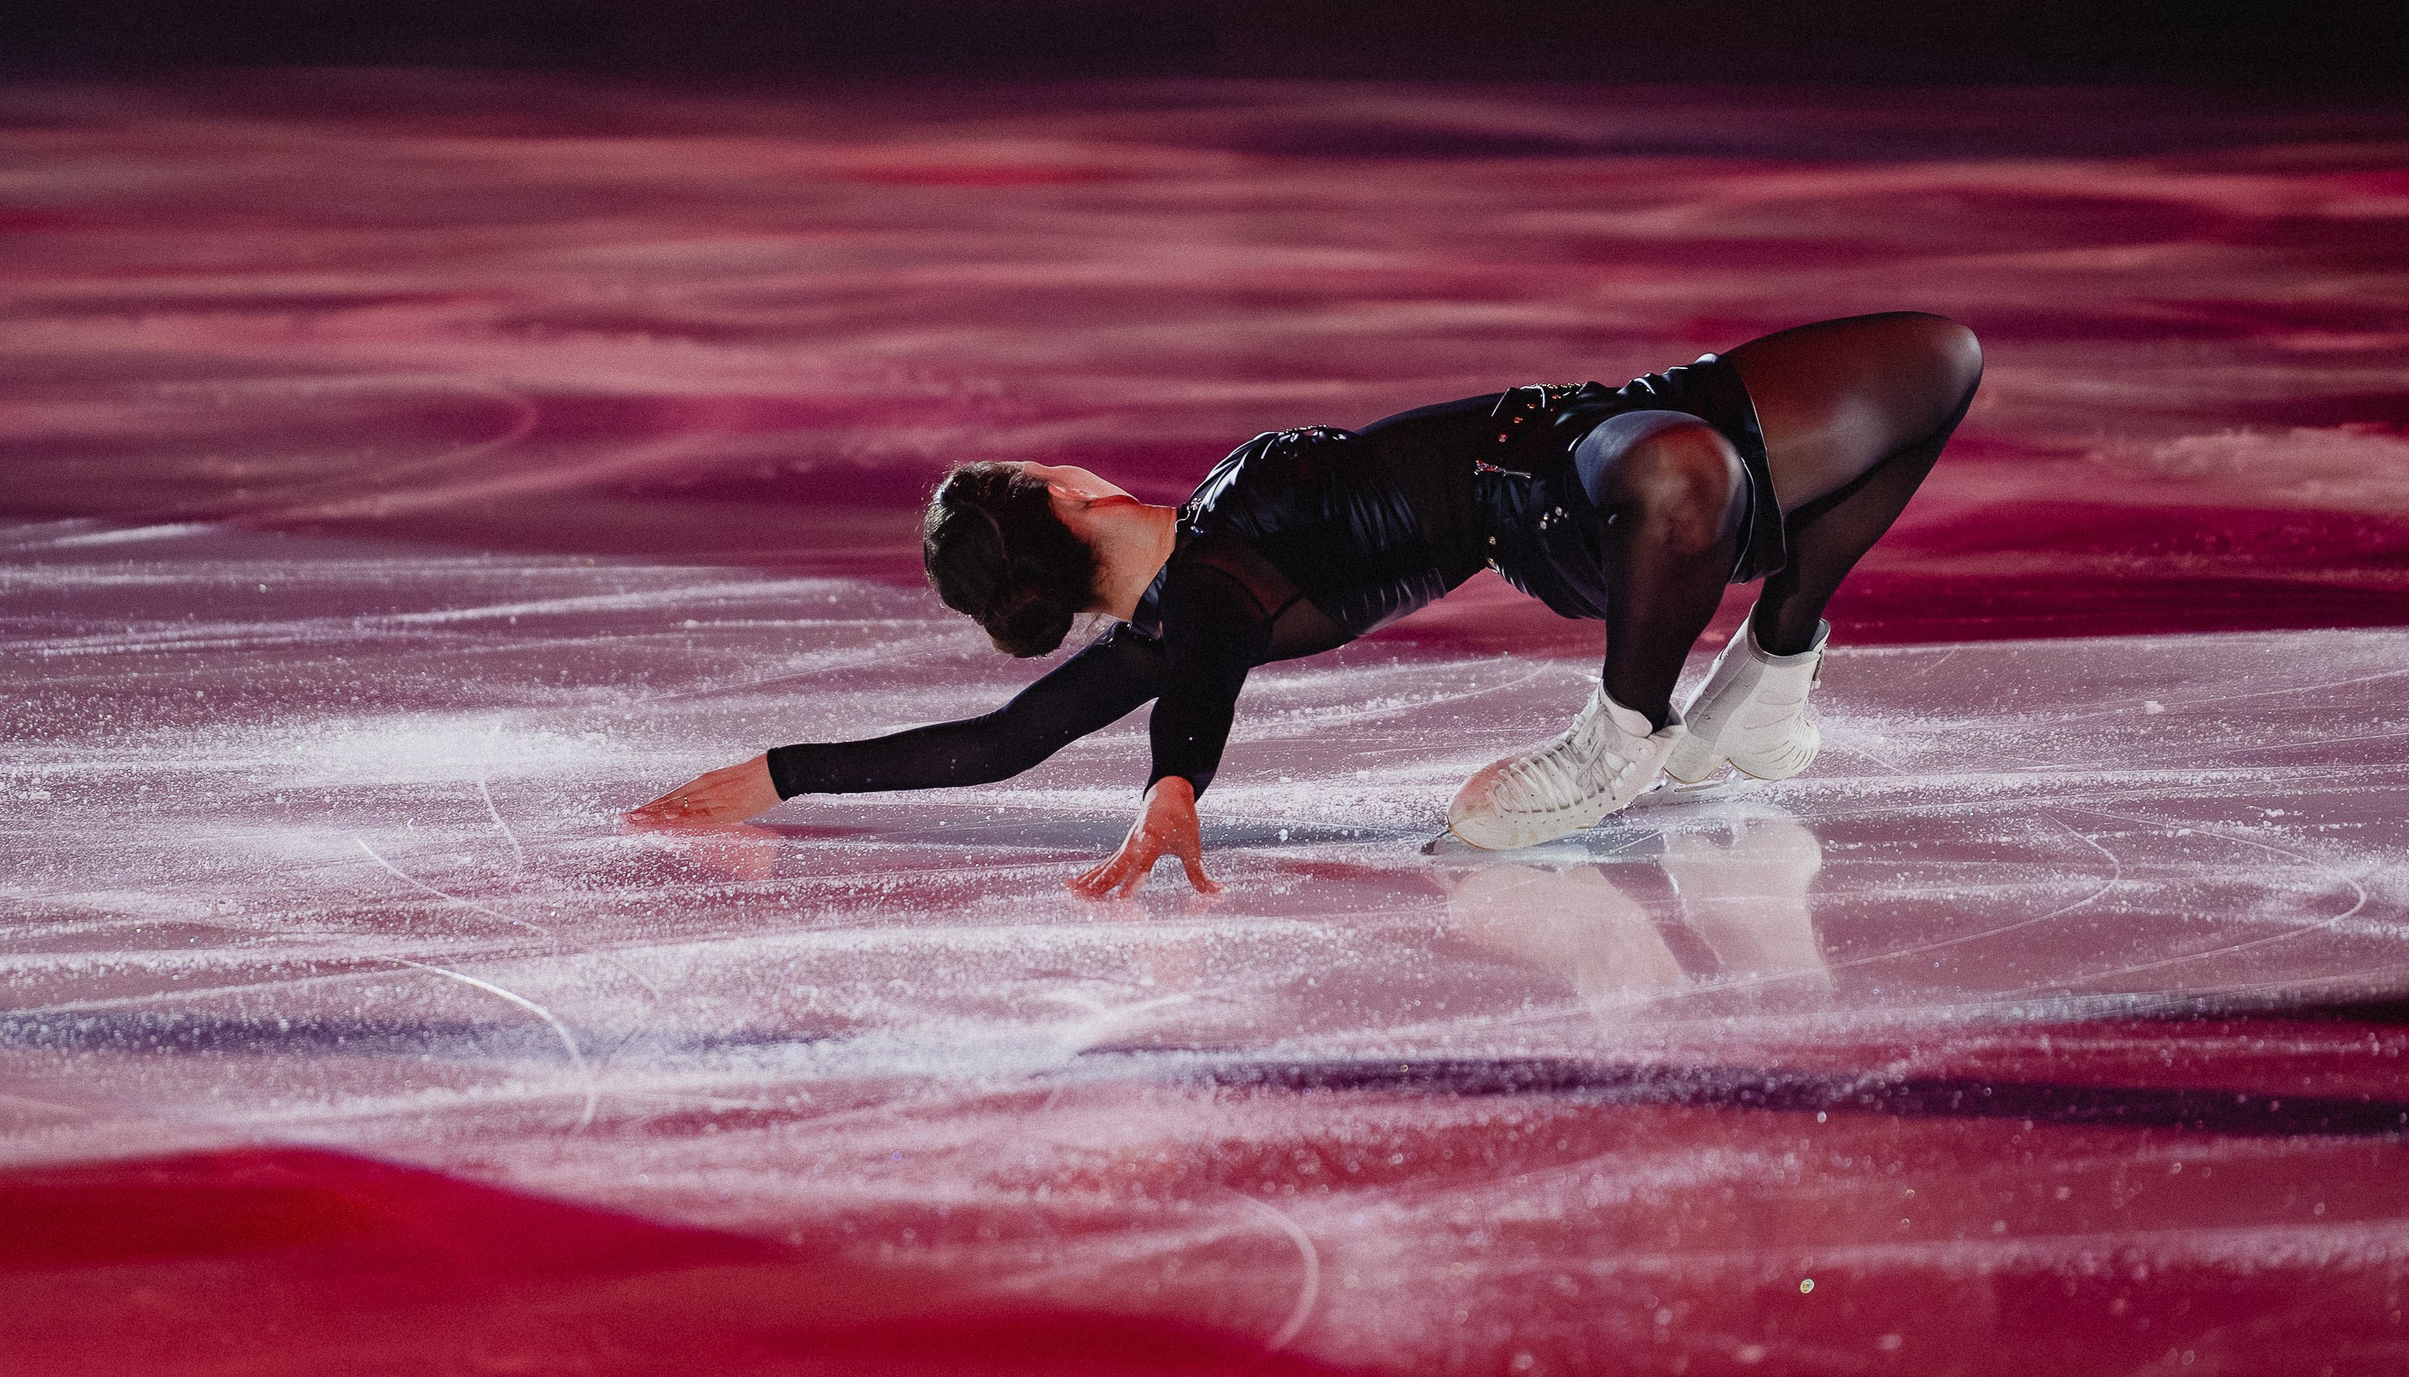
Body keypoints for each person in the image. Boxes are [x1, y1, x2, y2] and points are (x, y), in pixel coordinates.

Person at [626, 313, 1980, 897]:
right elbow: (1202, 652)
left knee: (1940, 361)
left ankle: (1771, 668)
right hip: (1571, 507)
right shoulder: (1208, 582)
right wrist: (1174, 784)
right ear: (1067, 498)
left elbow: (1002, 742)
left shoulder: (1185, 602)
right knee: (1691, 473)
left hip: (1601, 423)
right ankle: (1624, 731)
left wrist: (783, 773)